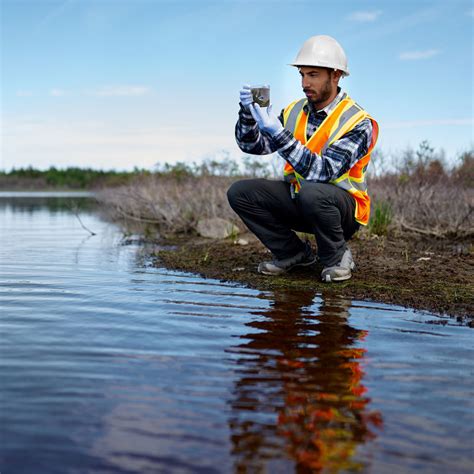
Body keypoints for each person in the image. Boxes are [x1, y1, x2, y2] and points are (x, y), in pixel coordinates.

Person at [227, 35, 379, 282]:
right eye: (302, 74)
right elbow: (252, 145)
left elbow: (324, 171)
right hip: (301, 199)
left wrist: (278, 133)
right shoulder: (294, 111)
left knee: (313, 191)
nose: (304, 83)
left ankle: (336, 257)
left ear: (336, 75)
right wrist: (248, 114)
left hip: (342, 212)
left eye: (313, 75)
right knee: (240, 192)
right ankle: (293, 254)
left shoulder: (358, 122)